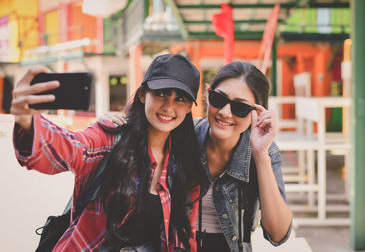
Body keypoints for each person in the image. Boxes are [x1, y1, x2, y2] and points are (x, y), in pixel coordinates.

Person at [10, 54, 208, 252]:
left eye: (180, 99)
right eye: (161, 93)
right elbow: (73, 148)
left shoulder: (184, 164)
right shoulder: (111, 138)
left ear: (189, 107)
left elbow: (184, 237)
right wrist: (27, 122)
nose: (169, 106)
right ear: (142, 94)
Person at [102, 61, 293, 252]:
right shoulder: (179, 133)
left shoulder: (264, 151)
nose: (225, 113)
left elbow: (277, 234)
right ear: (207, 95)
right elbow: (141, 130)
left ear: (257, 113)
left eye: (240, 108)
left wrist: (260, 155)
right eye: (219, 99)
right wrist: (113, 128)